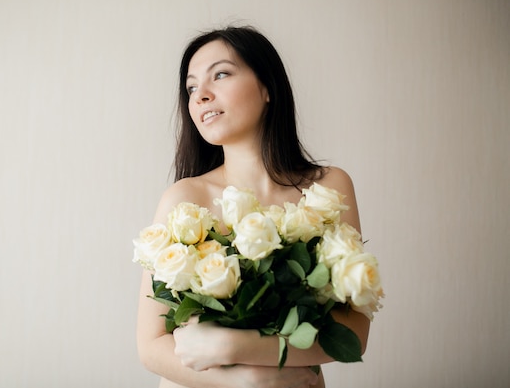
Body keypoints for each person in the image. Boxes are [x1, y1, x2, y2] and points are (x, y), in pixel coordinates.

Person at [136, 26, 370, 388]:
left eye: (221, 74)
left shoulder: (329, 189)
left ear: (267, 88)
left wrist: (235, 346)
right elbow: (151, 346)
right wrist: (242, 382)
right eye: (192, 88)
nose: (201, 96)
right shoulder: (184, 200)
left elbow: (353, 328)